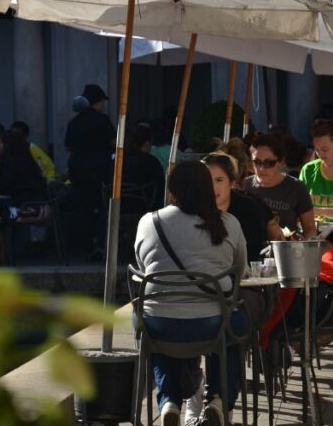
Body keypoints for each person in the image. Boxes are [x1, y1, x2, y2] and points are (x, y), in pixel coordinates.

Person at [134, 161, 247, 426]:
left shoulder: (149, 221)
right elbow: (238, 272)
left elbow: (142, 266)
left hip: (158, 324)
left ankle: (169, 401)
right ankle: (219, 399)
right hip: (212, 326)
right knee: (237, 327)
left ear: (172, 188)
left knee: (161, 327)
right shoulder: (228, 223)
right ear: (208, 188)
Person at [202, 152, 281, 261]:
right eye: (206, 180)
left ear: (231, 183)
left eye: (219, 180)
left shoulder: (249, 209)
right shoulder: (190, 208)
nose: (212, 186)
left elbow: (254, 255)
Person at [65, 84, 115, 255]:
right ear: (98, 101)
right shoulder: (103, 120)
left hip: (77, 169)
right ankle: (100, 244)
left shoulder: (74, 122)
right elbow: (113, 143)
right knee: (102, 206)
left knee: (83, 207)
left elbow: (68, 147)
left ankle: (85, 246)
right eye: (102, 102)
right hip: (99, 169)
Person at [0, 129, 49, 264]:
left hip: (25, 209)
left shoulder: (10, 163)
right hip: (39, 207)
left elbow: (1, 187)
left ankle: (0, 255)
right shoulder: (27, 160)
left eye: (0, 143)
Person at [244, 133, 317, 239]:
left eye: (269, 163)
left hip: (285, 250)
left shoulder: (296, 187)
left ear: (281, 162)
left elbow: (310, 228)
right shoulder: (244, 186)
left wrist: (304, 249)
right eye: (257, 162)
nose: (261, 169)